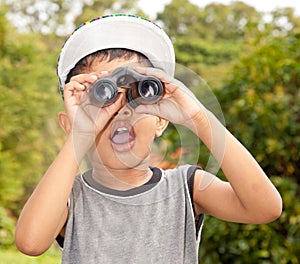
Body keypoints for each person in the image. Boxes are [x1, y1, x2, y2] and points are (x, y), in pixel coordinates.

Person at [15, 14, 282, 263]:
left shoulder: (187, 188)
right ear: (69, 124)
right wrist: (80, 134)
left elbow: (265, 208)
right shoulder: (70, 198)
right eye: (103, 97)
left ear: (160, 120)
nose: (120, 112)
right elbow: (30, 242)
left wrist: (199, 118)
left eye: (136, 94)